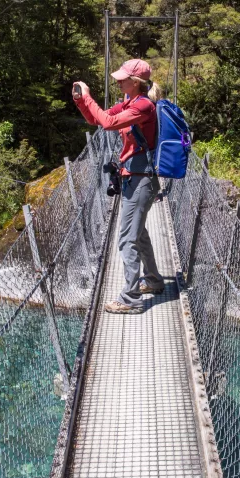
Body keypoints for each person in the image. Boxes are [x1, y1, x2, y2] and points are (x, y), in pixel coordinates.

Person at [72, 59, 165, 314]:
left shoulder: (144, 106)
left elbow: (109, 124)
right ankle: (154, 280)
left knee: (126, 239)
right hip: (133, 177)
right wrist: (82, 101)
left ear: (135, 82)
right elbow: (97, 119)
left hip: (141, 178)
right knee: (138, 232)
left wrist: (89, 96)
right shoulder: (130, 102)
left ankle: (130, 299)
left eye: (122, 79)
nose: (118, 81)